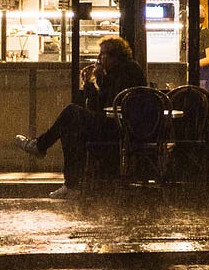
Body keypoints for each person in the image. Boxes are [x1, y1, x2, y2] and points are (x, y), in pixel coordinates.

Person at [15, 35, 146, 199]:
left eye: (102, 55)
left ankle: (41, 147)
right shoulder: (121, 70)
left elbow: (107, 106)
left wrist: (97, 80)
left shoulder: (126, 71)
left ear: (114, 56)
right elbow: (98, 107)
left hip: (120, 129)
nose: (99, 59)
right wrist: (91, 83)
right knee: (71, 131)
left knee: (72, 113)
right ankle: (70, 184)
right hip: (116, 126)